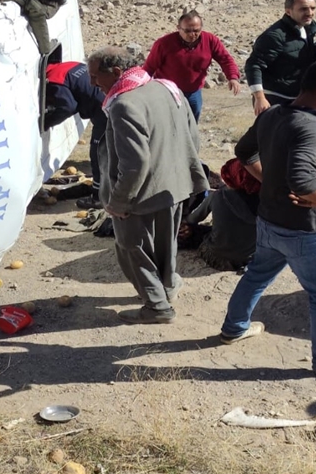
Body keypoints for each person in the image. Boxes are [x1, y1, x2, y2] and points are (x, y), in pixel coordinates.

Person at [218, 58, 316, 381]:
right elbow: (303, 179)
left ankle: (235, 328)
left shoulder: (273, 114)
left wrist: (269, 182)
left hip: (269, 222)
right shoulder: (312, 127)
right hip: (308, 232)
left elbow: (244, 150)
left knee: (257, 276)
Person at [89, 46, 209, 323]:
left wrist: (119, 202)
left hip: (140, 195)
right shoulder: (167, 88)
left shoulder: (123, 104)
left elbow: (134, 164)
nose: (94, 83)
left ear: (117, 72)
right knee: (165, 243)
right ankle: (167, 286)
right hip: (175, 185)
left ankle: (157, 307)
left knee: (132, 247)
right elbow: (192, 135)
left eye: (96, 76)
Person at [143, 11, 242, 121]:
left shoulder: (210, 40)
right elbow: (148, 68)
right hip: (167, 92)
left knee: (192, 124)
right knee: (168, 122)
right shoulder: (164, 43)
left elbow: (225, 59)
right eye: (187, 31)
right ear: (179, 28)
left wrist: (233, 77)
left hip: (193, 92)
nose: (192, 34)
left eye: (196, 31)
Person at [41, 60, 108, 210]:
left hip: (103, 110)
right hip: (106, 100)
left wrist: (45, 123)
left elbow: (67, 107)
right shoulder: (69, 65)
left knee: (98, 152)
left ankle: (98, 196)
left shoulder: (53, 80)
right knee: (109, 151)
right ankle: (103, 187)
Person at [244, 0, 316, 116]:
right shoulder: (275, 36)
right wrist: (259, 98)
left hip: (298, 96)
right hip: (275, 99)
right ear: (288, 11)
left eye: (312, 8)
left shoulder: (307, 29)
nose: (310, 13)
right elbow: (254, 66)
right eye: (303, 9)